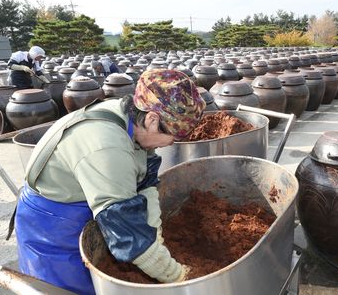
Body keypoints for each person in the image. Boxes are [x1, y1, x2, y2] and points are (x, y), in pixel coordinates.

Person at [14, 69, 206, 294]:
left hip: (91, 205)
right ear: (153, 119)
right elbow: (127, 235)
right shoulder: (106, 146)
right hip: (53, 224)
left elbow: (146, 183)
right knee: (66, 289)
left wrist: (156, 234)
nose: (171, 144)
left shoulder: (134, 121)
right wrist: (179, 276)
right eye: (172, 137)